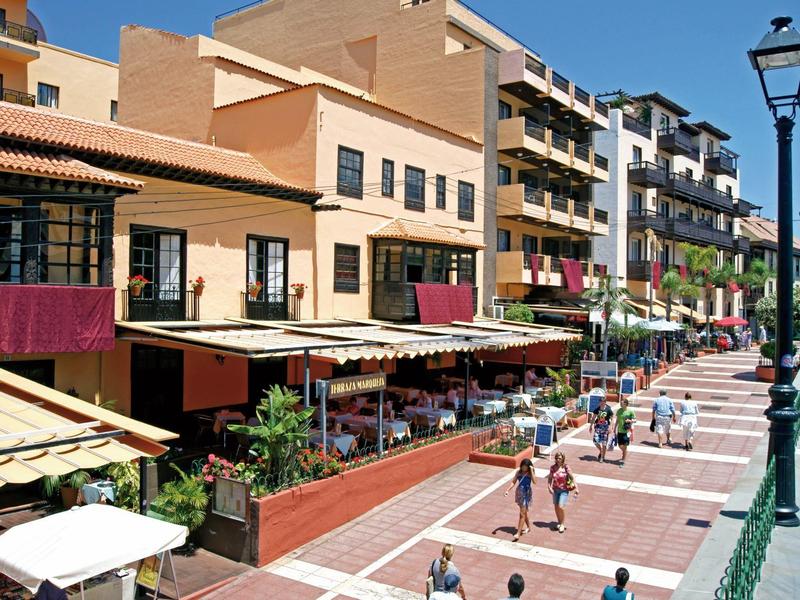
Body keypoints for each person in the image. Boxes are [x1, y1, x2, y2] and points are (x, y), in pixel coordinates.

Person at [504, 458, 535, 541]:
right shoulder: (518, 472)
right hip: (519, 493)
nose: (524, 468)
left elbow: (535, 481)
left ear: (529, 467)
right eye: (523, 466)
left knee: (522, 513)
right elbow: (513, 481)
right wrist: (508, 490)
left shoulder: (529, 473)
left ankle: (518, 533)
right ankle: (528, 527)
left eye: (526, 467)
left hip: (526, 493)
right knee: (524, 512)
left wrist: (531, 471)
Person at [547, 451, 578, 533]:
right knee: (556, 507)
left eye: (559, 458)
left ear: (563, 459)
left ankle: (562, 524)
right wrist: (549, 487)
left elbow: (572, 477)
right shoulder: (553, 468)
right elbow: (550, 478)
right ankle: (559, 522)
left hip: (564, 490)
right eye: (556, 458)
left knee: (561, 506)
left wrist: (576, 488)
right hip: (555, 490)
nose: (558, 460)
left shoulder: (566, 467)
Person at [590, 397, 614, 462]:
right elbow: (593, 418)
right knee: (595, 440)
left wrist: (611, 427)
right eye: (600, 402)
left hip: (605, 427)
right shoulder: (597, 409)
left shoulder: (608, 409)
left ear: (605, 402)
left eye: (602, 402)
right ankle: (601, 451)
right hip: (598, 427)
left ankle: (602, 457)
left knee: (604, 443)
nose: (601, 403)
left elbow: (612, 419)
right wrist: (591, 426)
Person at [614, 398, 636, 467]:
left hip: (627, 431)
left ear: (625, 404)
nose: (620, 404)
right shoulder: (619, 411)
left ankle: (623, 460)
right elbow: (617, 420)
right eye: (620, 403)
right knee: (620, 445)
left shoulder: (630, 411)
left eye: (622, 403)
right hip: (620, 431)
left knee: (625, 445)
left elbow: (635, 420)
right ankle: (624, 452)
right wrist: (615, 428)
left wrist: (630, 421)